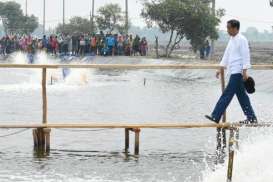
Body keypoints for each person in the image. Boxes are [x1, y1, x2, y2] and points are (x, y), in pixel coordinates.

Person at [205, 19, 258, 124]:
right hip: (233, 71)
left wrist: (244, 72)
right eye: (227, 27)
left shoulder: (242, 39)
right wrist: (220, 68)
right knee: (242, 97)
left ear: (235, 28)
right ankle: (251, 118)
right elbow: (226, 55)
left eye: (229, 28)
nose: (227, 30)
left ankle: (216, 116)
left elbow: (245, 55)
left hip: (238, 72)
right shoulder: (232, 39)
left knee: (227, 94)